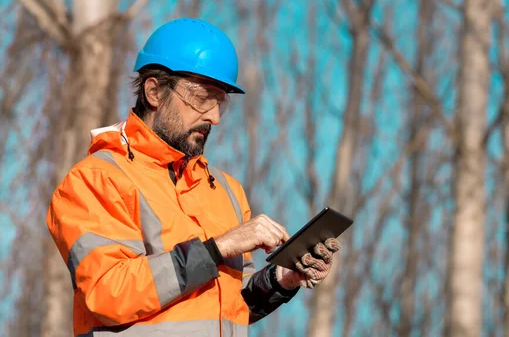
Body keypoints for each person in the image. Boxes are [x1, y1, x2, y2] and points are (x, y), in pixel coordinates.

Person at [46, 18, 341, 337]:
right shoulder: (97, 179)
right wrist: (219, 247)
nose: (213, 117)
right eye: (202, 98)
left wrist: (281, 279)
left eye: (220, 104)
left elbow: (233, 308)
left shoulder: (226, 191)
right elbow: (107, 292)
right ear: (154, 92)